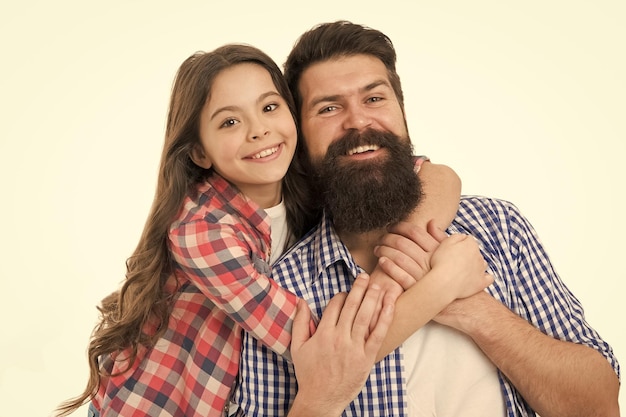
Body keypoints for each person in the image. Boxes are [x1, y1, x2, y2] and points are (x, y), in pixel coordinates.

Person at [56, 43, 491, 417]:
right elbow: (328, 352)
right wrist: (442, 284)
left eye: (268, 108)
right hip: (156, 403)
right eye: (229, 122)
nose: (259, 130)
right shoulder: (203, 231)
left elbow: (436, 176)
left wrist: (404, 251)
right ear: (200, 153)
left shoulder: (295, 180)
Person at [234, 21, 621, 417]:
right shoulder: (281, 291)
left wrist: (470, 307)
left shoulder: (498, 228)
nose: (358, 121)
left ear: (401, 110)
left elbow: (599, 405)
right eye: (329, 108)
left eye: (375, 98)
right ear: (298, 134)